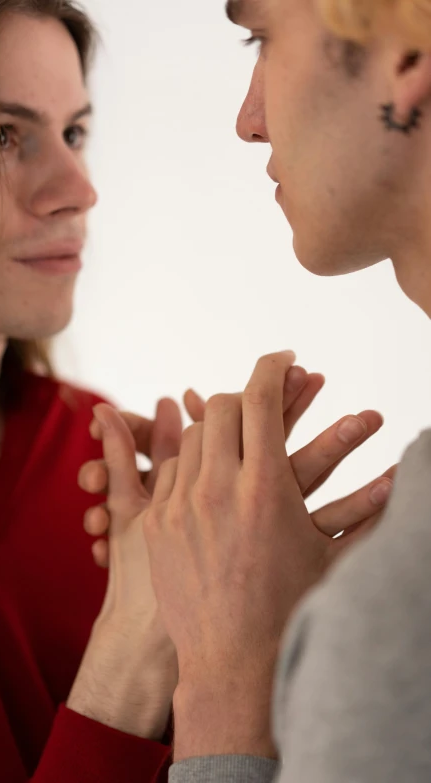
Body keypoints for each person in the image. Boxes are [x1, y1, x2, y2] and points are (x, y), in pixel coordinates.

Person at [0, 1, 395, 782]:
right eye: (3, 136)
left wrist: (267, 622)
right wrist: (130, 653)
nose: (78, 188)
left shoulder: (100, 466)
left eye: (74, 133)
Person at [81, 0, 431, 780]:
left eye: (262, 36)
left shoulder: (400, 605)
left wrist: (227, 683)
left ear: (407, 57)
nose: (247, 121)